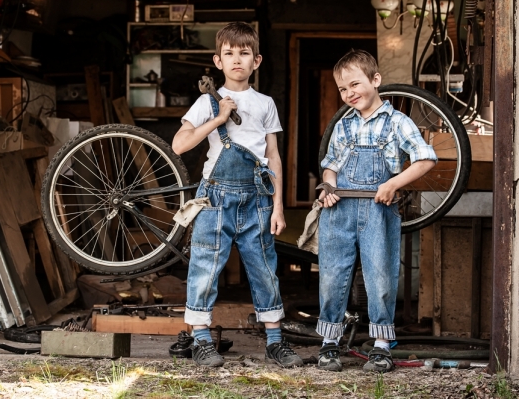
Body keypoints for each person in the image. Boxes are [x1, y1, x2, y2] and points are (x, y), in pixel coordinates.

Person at [171, 22, 302, 368]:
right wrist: (219, 118)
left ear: (256, 61)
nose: (236, 60)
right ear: (218, 61)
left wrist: (278, 205)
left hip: (258, 197)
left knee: (264, 267)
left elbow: (272, 155)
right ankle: (201, 339)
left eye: (244, 53)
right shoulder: (206, 102)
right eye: (229, 53)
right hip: (215, 198)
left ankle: (275, 340)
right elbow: (180, 144)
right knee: (206, 264)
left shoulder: (265, 103)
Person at [317, 49, 437, 373]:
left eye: (355, 84)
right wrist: (328, 187)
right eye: (343, 89)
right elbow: (329, 166)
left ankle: (381, 346)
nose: (349, 93)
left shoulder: (398, 122)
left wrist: (394, 183)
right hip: (339, 208)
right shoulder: (344, 125)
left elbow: (426, 158)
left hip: (378, 209)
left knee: (380, 276)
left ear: (376, 80)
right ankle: (329, 343)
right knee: (332, 275)